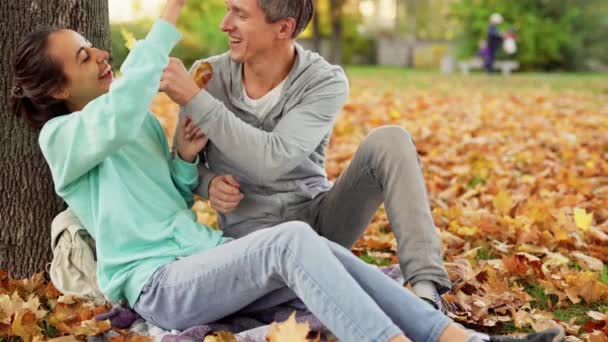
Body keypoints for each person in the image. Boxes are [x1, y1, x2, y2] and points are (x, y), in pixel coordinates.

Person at [10, 1, 565, 341]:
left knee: (330, 256)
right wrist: (168, 14)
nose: (101, 56)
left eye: (93, 48)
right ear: (60, 90)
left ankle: (457, 339)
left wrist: (182, 158)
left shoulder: (135, 127)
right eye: (85, 58)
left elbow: (173, 198)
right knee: (292, 244)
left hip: (201, 257)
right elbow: (124, 106)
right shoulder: (61, 138)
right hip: (159, 283)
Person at [160, 0, 451, 310]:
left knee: (391, 139)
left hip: (319, 225)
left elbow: (271, 161)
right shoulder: (208, 76)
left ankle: (425, 291)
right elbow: (184, 162)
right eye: (228, 9)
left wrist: (195, 100)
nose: (225, 24)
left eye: (240, 14)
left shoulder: (323, 81)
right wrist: (209, 184)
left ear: (284, 28)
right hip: (251, 241)